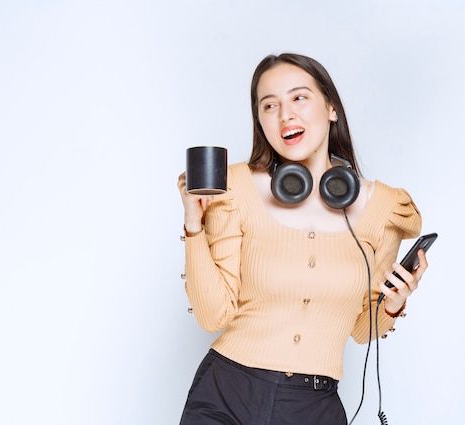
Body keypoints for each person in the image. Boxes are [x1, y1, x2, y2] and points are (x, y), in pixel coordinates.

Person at [176, 53, 428, 425]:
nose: (285, 115)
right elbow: (213, 316)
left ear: (331, 108)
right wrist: (194, 226)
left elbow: (362, 330)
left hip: (315, 408)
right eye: (269, 105)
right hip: (227, 392)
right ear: (260, 120)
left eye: (298, 98)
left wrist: (392, 304)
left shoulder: (384, 208)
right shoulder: (235, 190)